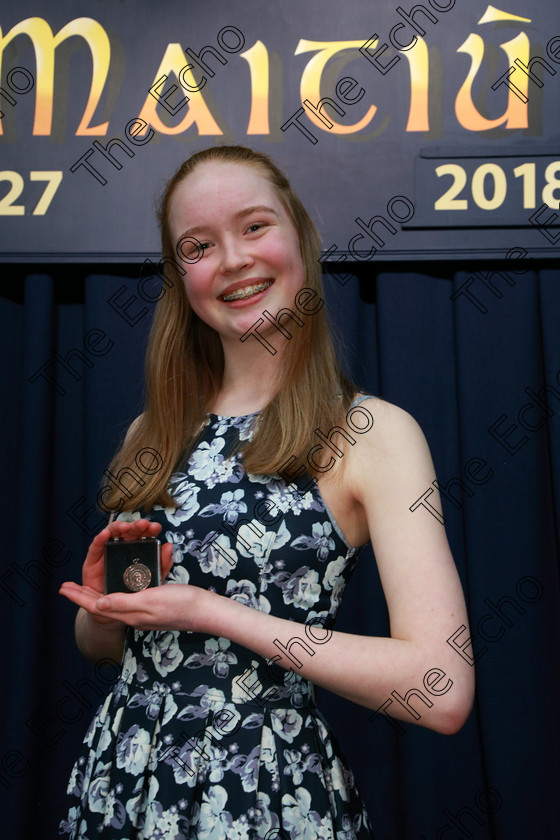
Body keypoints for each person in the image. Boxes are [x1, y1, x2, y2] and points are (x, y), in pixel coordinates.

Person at [58, 145, 474, 839]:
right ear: (179, 277)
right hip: (121, 790)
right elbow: (110, 647)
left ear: (299, 240)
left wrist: (213, 612)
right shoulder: (152, 432)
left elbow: (443, 689)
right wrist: (103, 613)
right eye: (198, 245)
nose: (232, 259)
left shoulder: (372, 432)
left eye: (254, 227)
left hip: (264, 795)